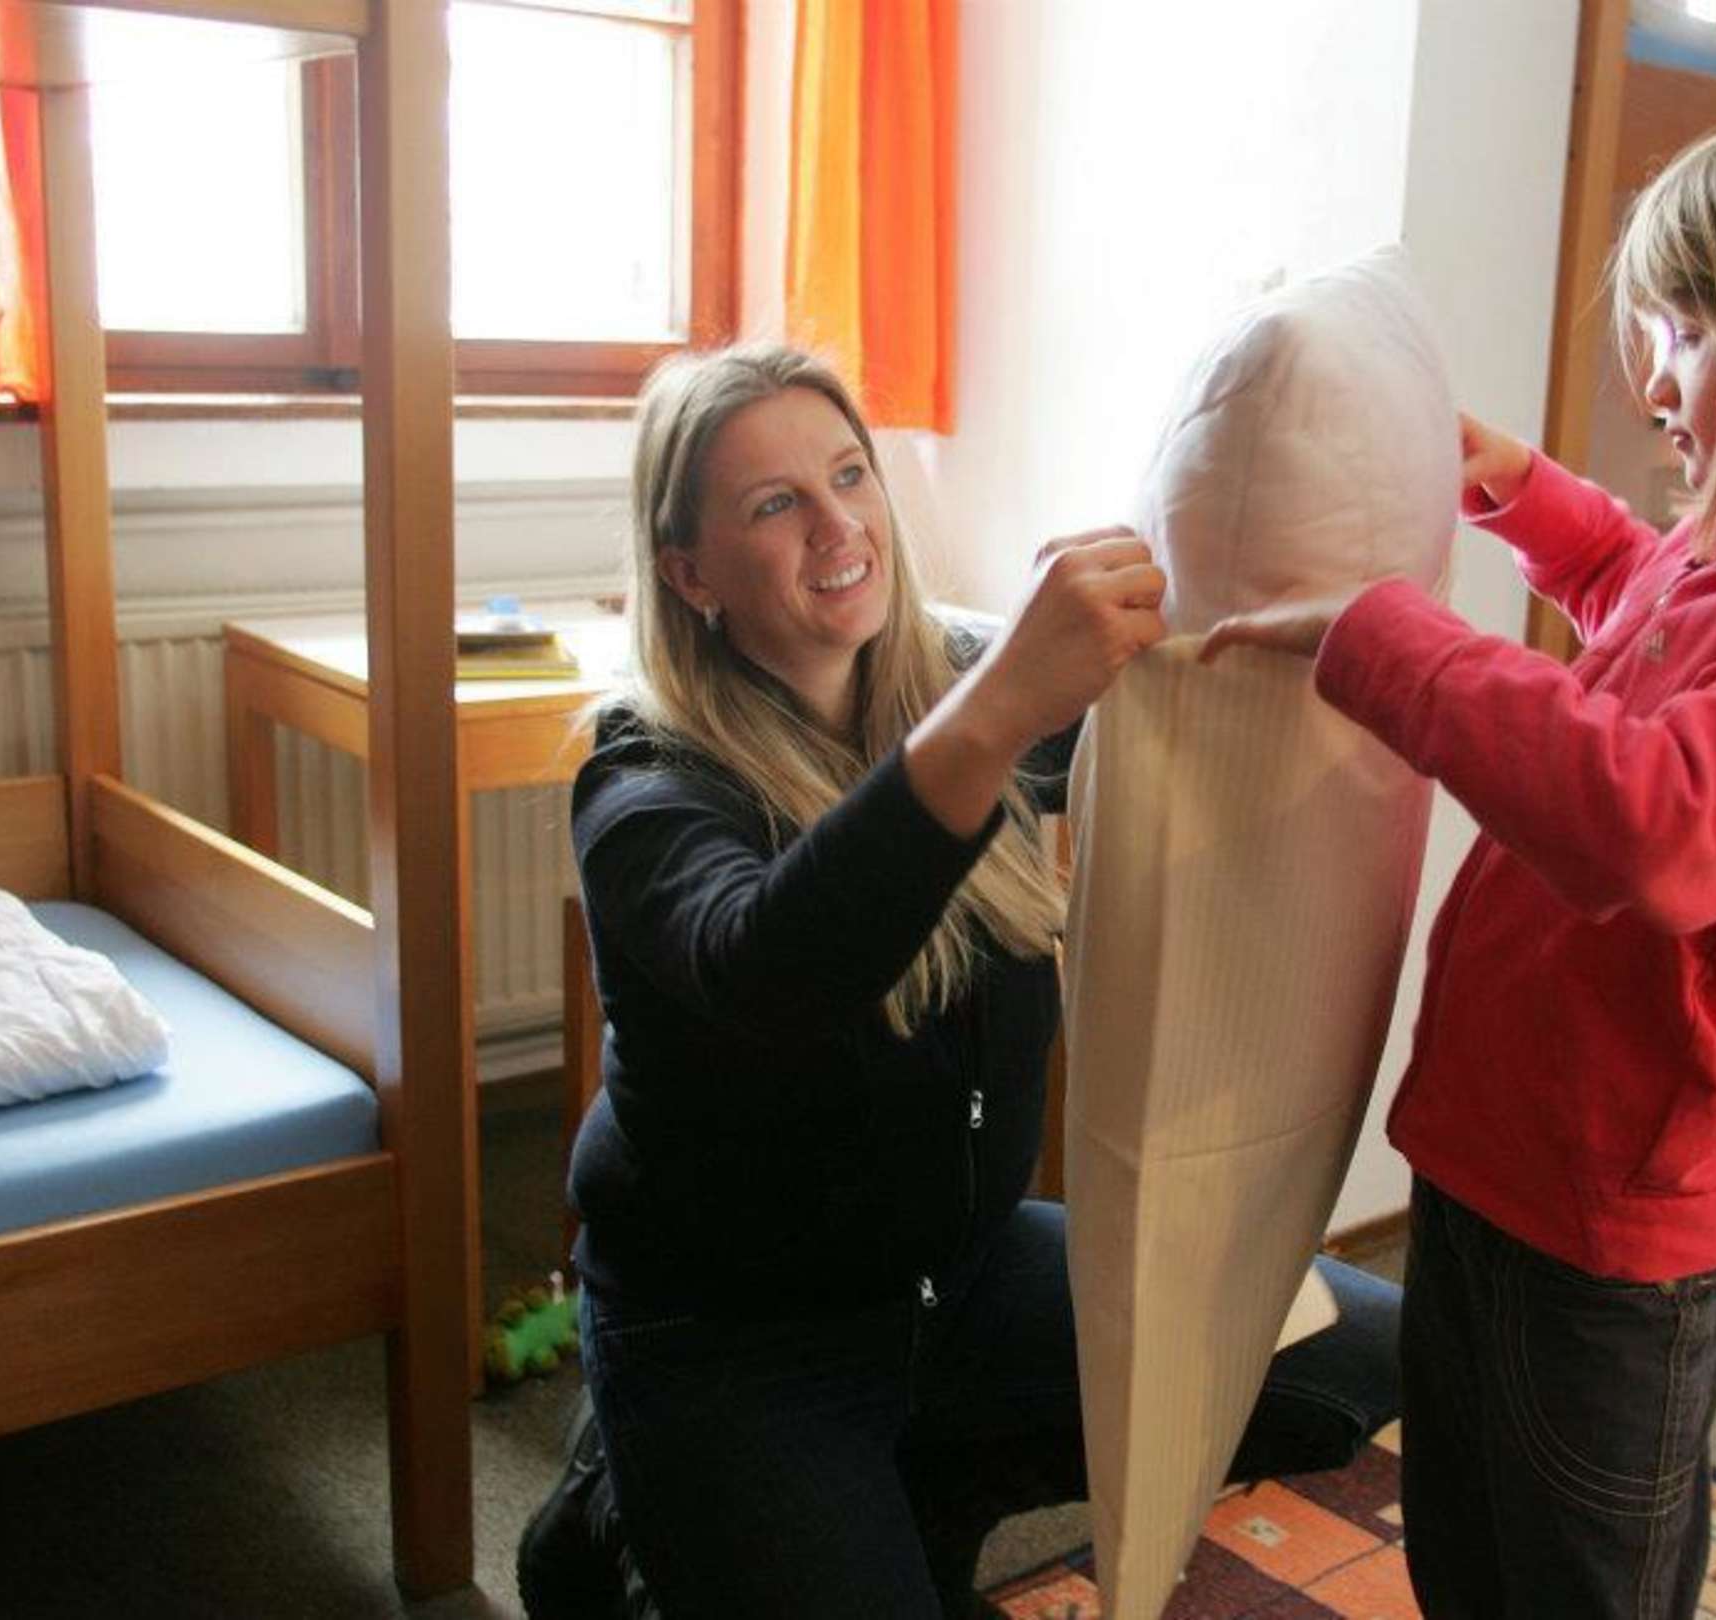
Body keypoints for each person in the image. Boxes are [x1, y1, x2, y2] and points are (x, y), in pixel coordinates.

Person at [1201, 101, 1716, 1618]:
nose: (1649, 378)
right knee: (1469, 1548)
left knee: (1578, 1582)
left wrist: (1389, 640)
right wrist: (1520, 489)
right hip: (1500, 1153)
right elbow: (1642, 597)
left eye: (1690, 334)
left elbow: (1658, 822)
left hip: (1604, 1228)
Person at [516, 342, 1403, 1620]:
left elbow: (1197, 697)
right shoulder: (643, 781)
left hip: (963, 1277)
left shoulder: (955, 677)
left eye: (849, 475)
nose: (838, 525)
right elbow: (771, 967)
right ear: (690, 574)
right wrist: (996, 710)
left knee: (1361, 1355)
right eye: (775, 504)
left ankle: (937, 1477)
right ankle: (628, 1499)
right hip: (738, 1340)